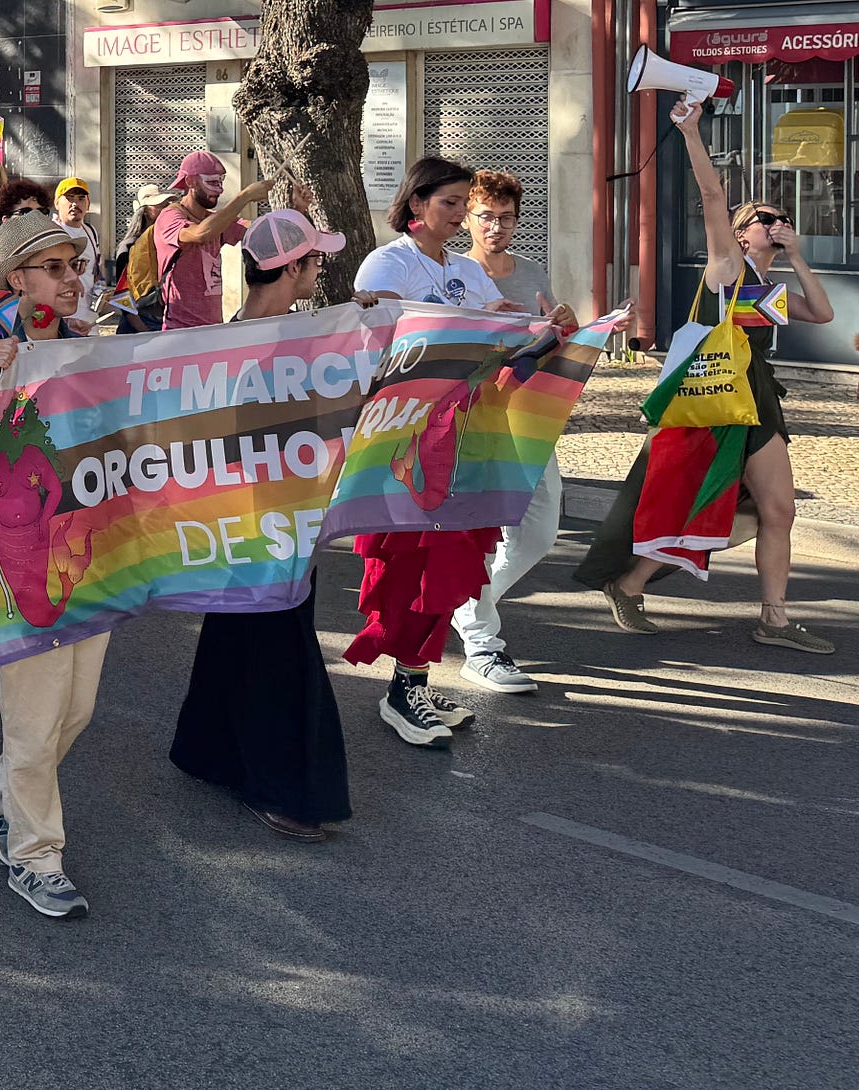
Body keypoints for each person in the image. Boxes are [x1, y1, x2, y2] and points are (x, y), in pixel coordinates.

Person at [574, 102, 836, 653]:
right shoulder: (728, 269)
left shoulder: (763, 286)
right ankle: (628, 582)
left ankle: (775, 619)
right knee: (691, 501)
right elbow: (713, 197)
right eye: (766, 220)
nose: (777, 223)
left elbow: (822, 314)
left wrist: (798, 257)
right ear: (741, 234)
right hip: (715, 402)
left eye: (780, 217)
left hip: (757, 400)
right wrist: (691, 131)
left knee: (777, 509)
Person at [172, 209, 374, 842]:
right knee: (280, 655)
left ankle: (205, 751)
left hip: (261, 521)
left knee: (239, 637)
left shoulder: (271, 333)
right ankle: (281, 788)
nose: (323, 268)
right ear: (291, 268)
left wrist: (360, 316)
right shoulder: (262, 345)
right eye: (316, 260)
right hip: (266, 525)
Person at [345, 157, 520, 749]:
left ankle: (414, 680)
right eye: (450, 203)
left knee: (447, 565)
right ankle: (402, 691)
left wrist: (537, 327)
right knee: (407, 566)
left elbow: (506, 337)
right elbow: (378, 349)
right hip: (403, 443)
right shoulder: (389, 262)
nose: (460, 215)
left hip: (463, 439)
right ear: (417, 205)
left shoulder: (468, 272)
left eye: (463, 204)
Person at [0, 208, 105, 919]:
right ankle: (36, 857)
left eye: (76, 265)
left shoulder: (95, 345)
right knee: (33, 717)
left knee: (74, 711)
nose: (72, 279)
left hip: (87, 555)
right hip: (16, 562)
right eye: (54, 267)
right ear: (17, 279)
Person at [449, 169, 578, 696]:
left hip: (527, 414)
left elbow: (551, 340)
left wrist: (566, 326)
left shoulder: (530, 272)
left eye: (505, 217)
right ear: (468, 221)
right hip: (472, 417)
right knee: (480, 527)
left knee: (541, 526)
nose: (495, 226)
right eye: (485, 216)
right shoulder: (453, 273)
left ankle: (465, 605)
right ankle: (481, 640)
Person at [154, 151, 273, 330]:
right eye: (211, 182)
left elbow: (258, 230)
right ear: (190, 182)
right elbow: (200, 234)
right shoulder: (171, 215)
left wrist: (295, 209)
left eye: (220, 182)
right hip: (179, 330)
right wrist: (244, 197)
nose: (219, 190)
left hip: (212, 329)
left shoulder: (216, 221)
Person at [113, 183, 177, 334]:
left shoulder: (168, 242)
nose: (165, 209)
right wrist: (142, 329)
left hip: (165, 321)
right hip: (138, 325)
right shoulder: (129, 246)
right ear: (145, 210)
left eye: (167, 204)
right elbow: (121, 296)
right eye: (159, 205)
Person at [51, 177, 102, 324]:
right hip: (61, 319)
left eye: (81, 198)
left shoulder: (90, 231)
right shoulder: (50, 233)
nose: (75, 204)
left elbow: (96, 268)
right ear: (57, 203)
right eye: (69, 198)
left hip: (88, 318)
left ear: (88, 204)